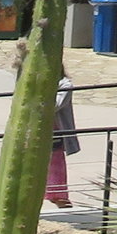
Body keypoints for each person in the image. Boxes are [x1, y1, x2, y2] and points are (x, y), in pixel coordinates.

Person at [47, 74, 81, 207]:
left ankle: (58, 196)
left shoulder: (65, 85)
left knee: (55, 163)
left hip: (55, 130)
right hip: (36, 129)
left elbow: (56, 104)